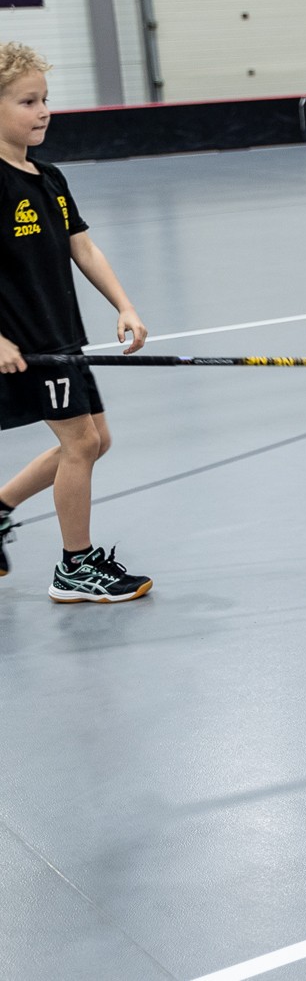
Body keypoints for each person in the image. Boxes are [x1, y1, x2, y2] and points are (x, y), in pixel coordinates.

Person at [0, 42, 151, 603]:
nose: (43, 112)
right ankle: (75, 567)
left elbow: (82, 247)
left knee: (95, 440)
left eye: (45, 100)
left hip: (62, 337)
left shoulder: (48, 177)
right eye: (27, 102)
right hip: (28, 344)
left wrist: (124, 305)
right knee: (80, 443)